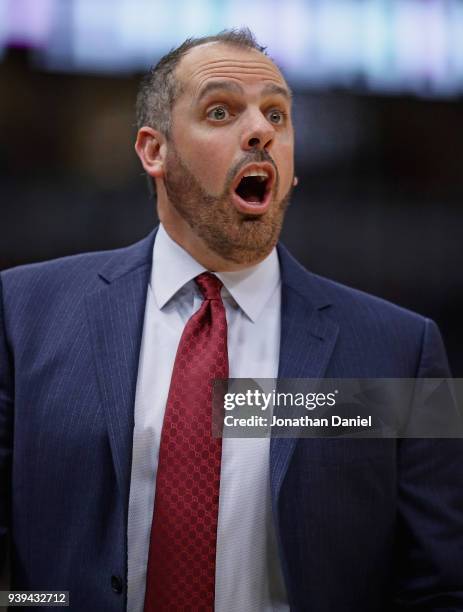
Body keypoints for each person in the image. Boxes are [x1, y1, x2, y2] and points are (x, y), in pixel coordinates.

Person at [1, 28, 462, 612]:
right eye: (221, 111)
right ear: (153, 151)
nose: (261, 130)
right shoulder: (21, 313)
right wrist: (37, 604)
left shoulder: (406, 349)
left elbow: (442, 587)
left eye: (277, 114)